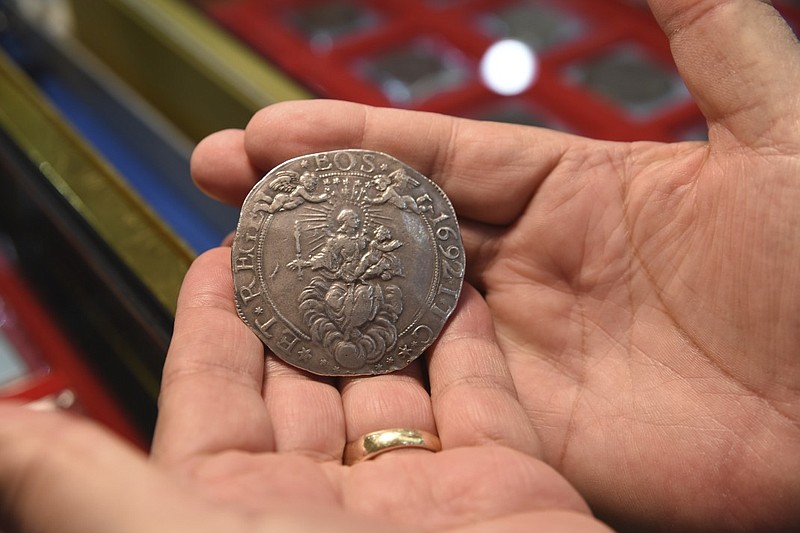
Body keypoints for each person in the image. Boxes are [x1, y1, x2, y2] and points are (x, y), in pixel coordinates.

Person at [2, 0, 799, 531]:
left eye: (354, 219)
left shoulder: (372, 243)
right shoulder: (332, 242)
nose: (350, 222)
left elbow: (362, 251)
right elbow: (322, 255)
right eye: (344, 218)